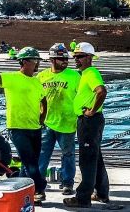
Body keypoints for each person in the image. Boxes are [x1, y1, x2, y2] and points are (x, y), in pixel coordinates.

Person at [0, 47, 47, 202]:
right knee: (30, 162)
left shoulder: (36, 81)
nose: (37, 64)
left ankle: (19, 187)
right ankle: (39, 189)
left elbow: (43, 101)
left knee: (29, 163)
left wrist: (42, 119)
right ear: (24, 62)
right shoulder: (12, 78)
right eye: (35, 60)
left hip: (35, 128)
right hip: (18, 128)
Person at [64, 42, 110, 208]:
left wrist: (91, 111)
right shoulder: (85, 74)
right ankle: (102, 193)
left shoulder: (91, 73)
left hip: (89, 122)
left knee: (87, 160)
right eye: (75, 57)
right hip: (90, 121)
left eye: (80, 56)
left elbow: (101, 91)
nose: (76, 59)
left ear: (90, 58)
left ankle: (83, 198)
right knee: (95, 157)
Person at [37, 44, 80, 196]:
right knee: (42, 155)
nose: (65, 61)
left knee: (68, 154)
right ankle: (38, 186)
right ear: (52, 60)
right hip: (46, 122)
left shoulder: (74, 76)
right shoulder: (41, 76)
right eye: (61, 59)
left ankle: (68, 183)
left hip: (67, 122)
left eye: (66, 59)